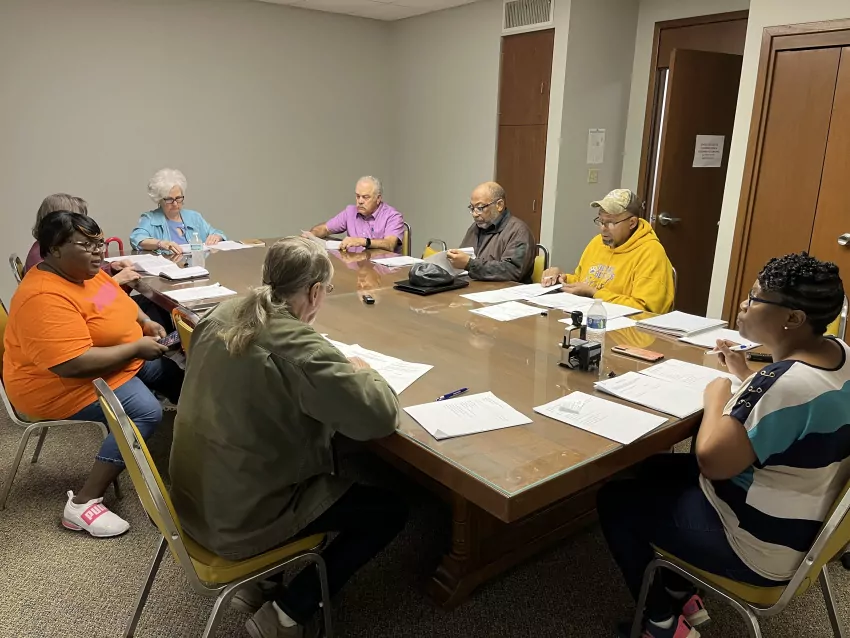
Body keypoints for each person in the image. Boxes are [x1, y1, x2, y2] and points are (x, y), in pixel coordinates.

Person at [597, 252, 850, 638]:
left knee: (615, 500)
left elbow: (712, 461)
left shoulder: (783, 384)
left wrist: (717, 395)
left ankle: (660, 622)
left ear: (793, 318)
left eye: (755, 298)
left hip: (760, 547)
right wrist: (744, 374)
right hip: (807, 515)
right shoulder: (840, 354)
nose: (744, 305)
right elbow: (788, 409)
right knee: (653, 468)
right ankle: (682, 590)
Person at [169, 236, 408, 638]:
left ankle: (261, 581)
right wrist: (366, 372)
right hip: (241, 516)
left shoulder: (221, 313)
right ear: (315, 292)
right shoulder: (301, 348)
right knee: (389, 510)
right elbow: (379, 418)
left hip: (193, 495)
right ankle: (286, 614)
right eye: (326, 289)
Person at [3, 211, 183, 537]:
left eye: (99, 243)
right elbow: (71, 364)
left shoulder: (85, 274)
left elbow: (112, 302)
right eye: (86, 245)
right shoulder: (43, 297)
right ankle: (82, 504)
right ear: (54, 249)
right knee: (145, 411)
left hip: (109, 362)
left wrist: (144, 322)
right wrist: (135, 348)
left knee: (170, 373)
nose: (98, 252)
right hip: (57, 385)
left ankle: (197, 445)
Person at [541, 189, 674, 313]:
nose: (603, 229)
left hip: (625, 327)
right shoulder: (597, 243)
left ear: (632, 223)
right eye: (601, 221)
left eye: (610, 223)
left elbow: (645, 310)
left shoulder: (650, 252)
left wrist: (595, 293)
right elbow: (583, 281)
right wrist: (562, 279)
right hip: (590, 316)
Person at [23, 193, 139, 285]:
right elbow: (93, 302)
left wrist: (111, 268)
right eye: (87, 244)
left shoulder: (55, 255)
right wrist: (115, 282)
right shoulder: (44, 267)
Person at [446, 181, 536, 283]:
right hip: (473, 287)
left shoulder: (519, 231)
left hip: (503, 290)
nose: (475, 214)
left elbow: (513, 271)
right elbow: (463, 261)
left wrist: (470, 264)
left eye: (480, 208)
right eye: (472, 208)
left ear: (499, 205)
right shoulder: (474, 228)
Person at [130, 168, 227, 254]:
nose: (175, 203)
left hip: (196, 266)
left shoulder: (194, 217)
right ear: (160, 200)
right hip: (168, 267)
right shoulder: (150, 219)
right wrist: (160, 244)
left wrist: (216, 236)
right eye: (169, 199)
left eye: (178, 198)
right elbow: (136, 238)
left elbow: (217, 232)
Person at [304, 176, 404, 253]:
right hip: (356, 266)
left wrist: (362, 241)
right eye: (357, 196)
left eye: (365, 197)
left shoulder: (392, 216)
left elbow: (390, 244)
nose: (360, 201)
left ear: (378, 199)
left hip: (383, 270)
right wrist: (311, 235)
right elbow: (325, 228)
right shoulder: (350, 212)